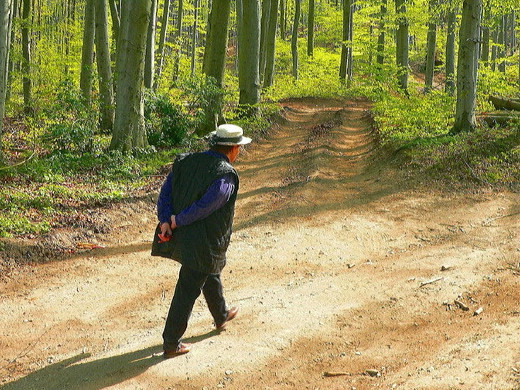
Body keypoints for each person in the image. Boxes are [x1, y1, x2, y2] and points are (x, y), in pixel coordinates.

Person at [156, 123, 251, 358]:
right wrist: (177, 220)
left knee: (209, 269)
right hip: (202, 239)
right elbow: (208, 204)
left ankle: (221, 314)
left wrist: (166, 220)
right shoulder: (225, 174)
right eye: (239, 148)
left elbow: (165, 192)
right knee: (188, 287)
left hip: (182, 235)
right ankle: (171, 343)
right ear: (233, 149)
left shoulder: (185, 162)